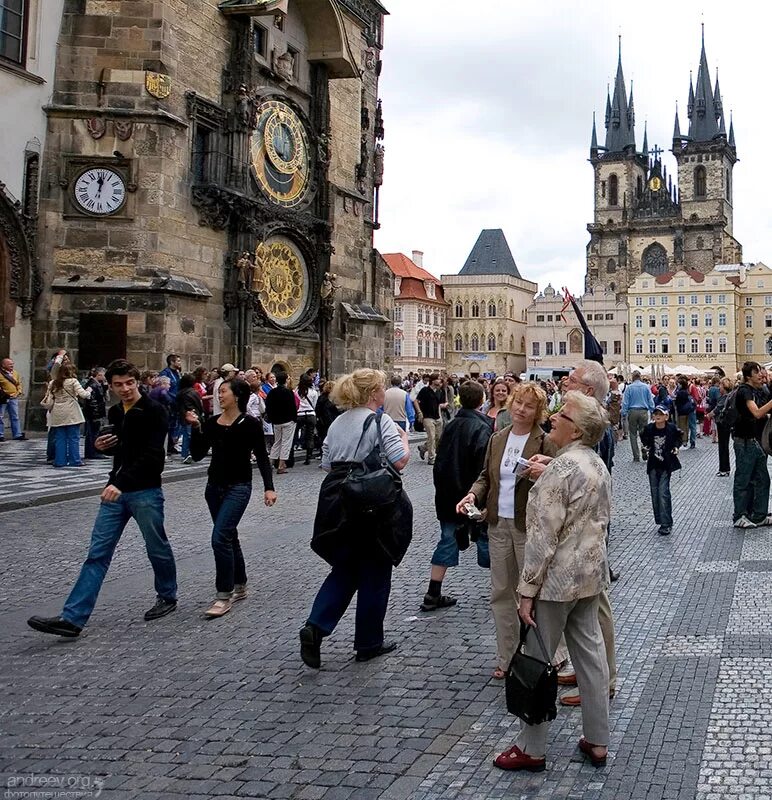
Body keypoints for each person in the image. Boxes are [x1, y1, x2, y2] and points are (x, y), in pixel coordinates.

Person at [493, 391, 612, 773]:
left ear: (575, 429)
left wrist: (526, 591)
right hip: (590, 577)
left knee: (537, 659)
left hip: (557, 582)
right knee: (591, 656)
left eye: (563, 414)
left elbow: (542, 540)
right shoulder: (595, 463)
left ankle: (532, 746)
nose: (555, 417)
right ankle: (597, 739)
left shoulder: (559, 473)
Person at [27, 360, 178, 637]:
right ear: (110, 385)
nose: (125, 389)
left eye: (129, 383)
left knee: (156, 546)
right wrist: (102, 447)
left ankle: (167, 595)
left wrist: (119, 483)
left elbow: (154, 457)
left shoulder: (155, 410)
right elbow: (123, 450)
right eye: (118, 384)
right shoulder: (116, 412)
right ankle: (73, 618)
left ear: (137, 381)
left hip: (144, 491)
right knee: (97, 554)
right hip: (115, 491)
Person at [299, 369, 411, 668]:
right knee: (376, 569)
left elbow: (326, 464)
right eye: (382, 388)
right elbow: (399, 460)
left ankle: (315, 625)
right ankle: (368, 642)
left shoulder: (337, 423)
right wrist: (405, 439)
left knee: (346, 567)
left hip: (339, 502)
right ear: (374, 392)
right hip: (372, 504)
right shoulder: (380, 420)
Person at [457, 382, 557, 678]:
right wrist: (472, 495)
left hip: (528, 526)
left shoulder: (544, 441)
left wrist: (542, 473)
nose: (521, 410)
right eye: (518, 403)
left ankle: (541, 655)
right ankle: (507, 656)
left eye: (528, 406)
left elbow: (557, 481)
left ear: (538, 412)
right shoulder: (498, 438)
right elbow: (485, 476)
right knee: (501, 593)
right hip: (498, 524)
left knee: (533, 595)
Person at [188, 379, 277, 618]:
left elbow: (261, 457)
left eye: (223, 391)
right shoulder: (211, 423)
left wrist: (269, 488)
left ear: (237, 395)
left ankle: (223, 595)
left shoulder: (250, 424)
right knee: (229, 535)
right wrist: (196, 428)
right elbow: (197, 455)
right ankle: (240, 584)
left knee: (220, 537)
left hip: (239, 486)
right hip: (213, 487)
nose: (219, 395)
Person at [421, 381, 493, 612]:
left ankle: (433, 592)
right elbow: (483, 467)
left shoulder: (451, 425)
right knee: (487, 537)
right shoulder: (482, 428)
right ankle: (505, 588)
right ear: (482, 400)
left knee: (448, 538)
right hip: (470, 496)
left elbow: (440, 461)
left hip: (449, 494)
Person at [732, 361, 772, 529]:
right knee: (744, 479)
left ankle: (759, 515)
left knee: (762, 478)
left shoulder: (756, 390)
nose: (761, 375)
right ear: (749, 376)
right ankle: (740, 516)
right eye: (757, 372)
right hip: (744, 441)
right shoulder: (744, 391)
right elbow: (756, 412)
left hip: (754, 440)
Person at [640, 405, 683, 536]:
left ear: (666, 416)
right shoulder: (649, 428)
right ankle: (660, 519)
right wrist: (646, 447)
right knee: (655, 493)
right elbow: (643, 436)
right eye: (655, 413)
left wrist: (676, 447)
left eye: (660, 413)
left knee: (663, 493)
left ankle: (666, 523)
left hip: (666, 464)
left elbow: (679, 436)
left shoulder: (671, 428)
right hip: (653, 465)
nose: (657, 416)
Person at [41, 362, 92, 468]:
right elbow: (84, 395)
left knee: (60, 437)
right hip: (71, 411)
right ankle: (75, 460)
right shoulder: (73, 381)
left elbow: (49, 397)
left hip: (57, 412)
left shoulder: (53, 382)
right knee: (73, 437)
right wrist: (89, 391)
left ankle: (60, 460)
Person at [265, 371, 297, 474]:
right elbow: (293, 407)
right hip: (288, 420)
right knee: (286, 443)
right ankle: (281, 465)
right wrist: (294, 419)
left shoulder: (272, 392)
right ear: (286, 380)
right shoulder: (288, 392)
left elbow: (268, 407)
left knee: (277, 442)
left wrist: (271, 418)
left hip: (276, 421)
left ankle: (270, 462)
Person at [620, 370, 654, 462]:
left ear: (633, 377)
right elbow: (650, 400)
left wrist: (624, 413)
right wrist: (652, 410)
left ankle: (636, 456)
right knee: (644, 433)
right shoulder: (646, 387)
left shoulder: (629, 388)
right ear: (640, 377)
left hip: (632, 412)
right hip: (643, 411)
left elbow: (625, 402)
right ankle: (644, 447)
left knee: (633, 434)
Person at [416, 373, 445, 465]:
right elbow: (416, 401)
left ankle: (423, 448)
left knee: (438, 438)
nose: (440, 381)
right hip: (427, 417)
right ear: (433, 380)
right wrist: (420, 413)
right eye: (438, 379)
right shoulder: (425, 390)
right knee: (431, 437)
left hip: (437, 417)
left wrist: (442, 411)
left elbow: (440, 404)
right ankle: (431, 458)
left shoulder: (439, 391)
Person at [176, 374, 204, 464]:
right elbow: (199, 404)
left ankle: (185, 453)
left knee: (186, 435)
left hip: (183, 415)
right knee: (190, 435)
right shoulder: (193, 392)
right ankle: (189, 453)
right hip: (193, 414)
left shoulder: (180, 393)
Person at [83, 367, 108, 459]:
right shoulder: (92, 385)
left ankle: (92, 452)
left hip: (95, 412)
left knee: (94, 433)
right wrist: (96, 414)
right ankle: (93, 452)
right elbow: (91, 401)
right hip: (94, 414)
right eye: (104, 375)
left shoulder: (97, 384)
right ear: (99, 375)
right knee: (93, 433)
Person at [160, 354, 182, 455]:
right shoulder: (165, 373)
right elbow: (164, 389)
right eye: (178, 361)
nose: (179, 363)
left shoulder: (177, 373)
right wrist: (173, 398)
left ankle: (172, 444)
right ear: (172, 362)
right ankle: (168, 445)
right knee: (168, 424)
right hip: (169, 402)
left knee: (175, 424)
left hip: (177, 401)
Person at [0, 357, 26, 441]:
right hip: (3, 398)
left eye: (12, 363)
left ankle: (17, 434)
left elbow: (19, 383)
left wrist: (18, 392)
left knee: (15, 416)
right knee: (1, 416)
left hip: (14, 398)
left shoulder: (15, 373)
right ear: (3, 365)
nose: (12, 365)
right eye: (9, 364)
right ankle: (0, 434)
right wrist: (4, 394)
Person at [713, 377, 734, 477]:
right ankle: (724, 468)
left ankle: (724, 469)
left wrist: (709, 414)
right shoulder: (728, 395)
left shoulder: (725, 396)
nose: (719, 387)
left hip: (723, 423)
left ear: (724, 386)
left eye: (720, 385)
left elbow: (718, 408)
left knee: (723, 446)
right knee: (723, 446)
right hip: (724, 423)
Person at [295, 373, 318, 465]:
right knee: (310, 435)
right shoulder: (313, 392)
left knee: (294, 434)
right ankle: (308, 457)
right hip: (310, 414)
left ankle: (292, 452)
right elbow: (314, 404)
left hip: (299, 414)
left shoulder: (296, 392)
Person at [314, 380, 340, 447]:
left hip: (323, 421)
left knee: (324, 438)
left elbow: (317, 410)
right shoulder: (336, 398)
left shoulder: (321, 398)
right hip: (334, 420)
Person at [674, 377, 696, 449]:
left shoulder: (680, 392)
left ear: (681, 384)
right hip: (687, 411)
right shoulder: (686, 392)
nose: (677, 385)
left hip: (681, 411)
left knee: (682, 426)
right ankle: (686, 441)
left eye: (678, 384)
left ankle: (683, 442)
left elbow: (677, 402)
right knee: (686, 427)